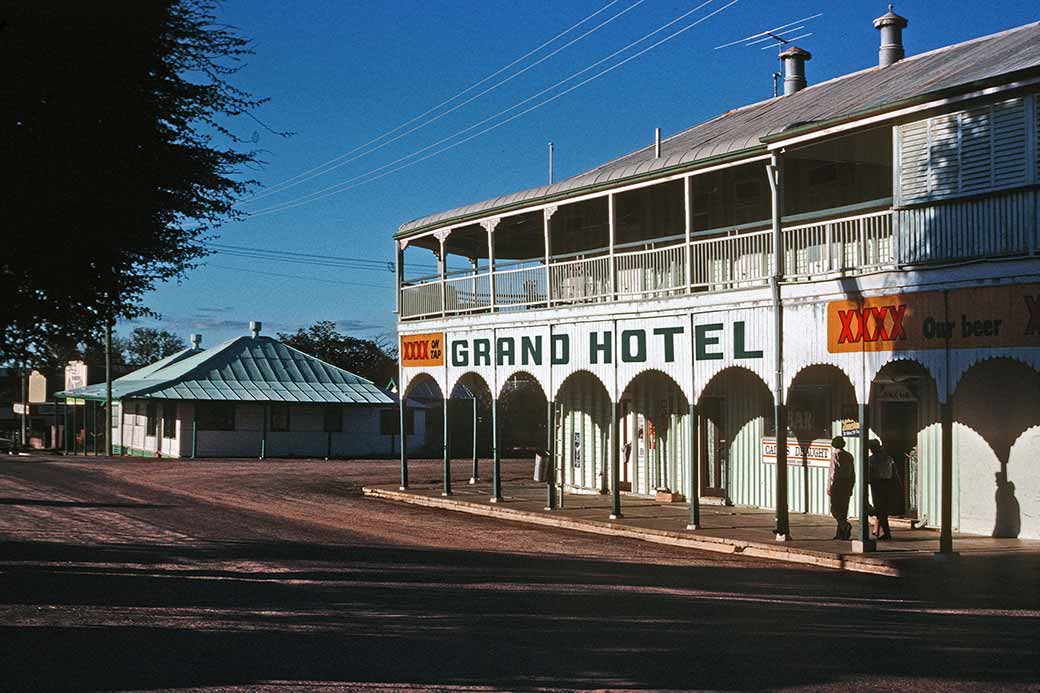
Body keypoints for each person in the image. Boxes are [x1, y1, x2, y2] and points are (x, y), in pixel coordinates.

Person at [867, 439, 896, 540]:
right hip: (887, 483)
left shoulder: (871, 459)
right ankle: (878, 530)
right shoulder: (888, 457)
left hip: (876, 484)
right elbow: (893, 471)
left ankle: (886, 532)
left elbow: (869, 473)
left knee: (879, 509)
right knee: (883, 508)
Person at [827, 436, 855, 540]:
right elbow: (853, 472)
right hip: (847, 483)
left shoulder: (835, 455)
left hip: (838, 483)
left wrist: (829, 486)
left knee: (834, 508)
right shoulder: (849, 456)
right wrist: (851, 486)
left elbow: (833, 472)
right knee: (843, 509)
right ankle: (841, 534)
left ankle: (844, 525)